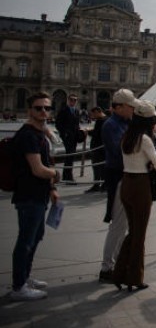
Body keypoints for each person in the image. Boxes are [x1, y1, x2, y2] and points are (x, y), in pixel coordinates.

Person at [9, 92, 61, 301]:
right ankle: (18, 287)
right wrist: (55, 175)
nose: (44, 112)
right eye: (39, 108)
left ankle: (25, 277)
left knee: (35, 237)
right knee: (26, 241)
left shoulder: (39, 134)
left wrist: (51, 189)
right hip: (28, 195)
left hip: (39, 194)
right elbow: (38, 169)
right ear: (30, 110)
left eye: (47, 108)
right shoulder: (28, 135)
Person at [112, 101, 156, 291]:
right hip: (141, 186)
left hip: (126, 183)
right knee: (139, 234)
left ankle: (119, 274)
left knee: (134, 232)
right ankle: (134, 278)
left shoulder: (127, 136)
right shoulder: (145, 140)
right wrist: (152, 162)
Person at [99, 89, 140, 283]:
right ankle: (107, 267)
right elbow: (119, 151)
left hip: (126, 175)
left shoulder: (125, 123)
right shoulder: (111, 125)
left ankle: (114, 263)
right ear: (119, 107)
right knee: (118, 224)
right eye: (130, 105)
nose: (133, 108)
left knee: (122, 224)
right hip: (118, 175)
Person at [55, 93, 82, 183]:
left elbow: (77, 124)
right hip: (67, 136)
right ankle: (68, 177)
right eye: (71, 100)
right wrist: (64, 134)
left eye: (75, 100)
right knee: (70, 155)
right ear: (68, 100)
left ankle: (67, 175)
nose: (73, 101)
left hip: (74, 136)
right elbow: (58, 124)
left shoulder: (77, 111)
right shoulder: (63, 110)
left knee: (71, 155)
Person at [85, 106, 107, 193]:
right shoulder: (106, 119)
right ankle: (104, 184)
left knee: (97, 167)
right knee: (102, 167)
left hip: (97, 148)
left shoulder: (100, 120)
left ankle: (97, 184)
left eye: (93, 113)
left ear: (98, 111)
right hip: (103, 148)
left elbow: (97, 133)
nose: (92, 116)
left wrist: (88, 132)